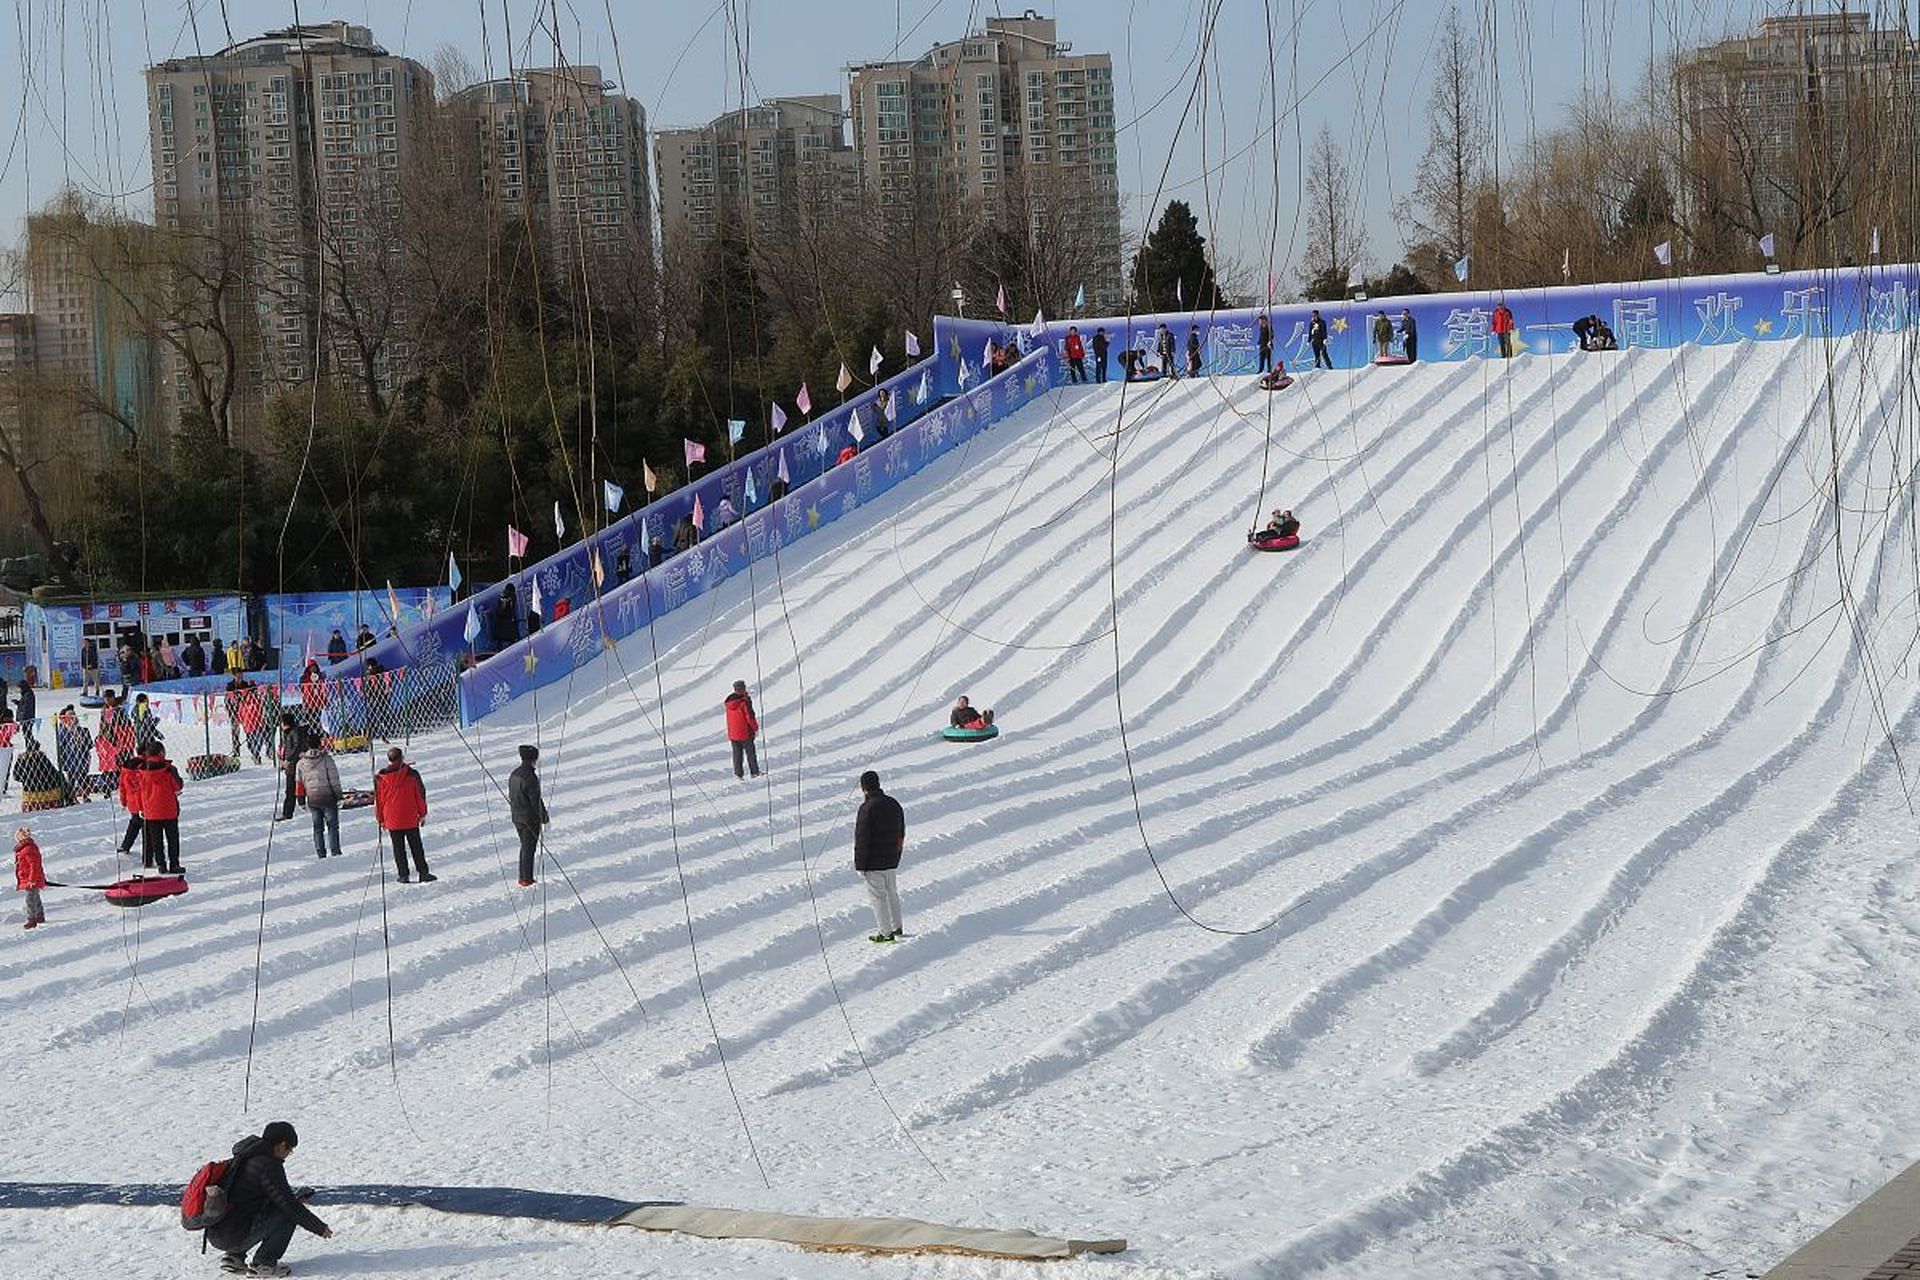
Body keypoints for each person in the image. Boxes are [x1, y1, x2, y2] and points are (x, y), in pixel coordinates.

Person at [204, 1120, 333, 1276]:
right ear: (281, 1145)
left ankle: (234, 1258)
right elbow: (289, 1205)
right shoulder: (269, 1165)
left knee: (260, 1208)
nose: (288, 1154)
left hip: (218, 1232)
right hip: (233, 1235)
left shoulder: (245, 1156)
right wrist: (319, 1227)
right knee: (287, 1215)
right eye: (290, 1149)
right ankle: (263, 1264)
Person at [853, 770, 906, 944]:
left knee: (878, 897)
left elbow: (862, 839)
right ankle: (897, 927)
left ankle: (885, 933)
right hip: (891, 859)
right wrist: (897, 854)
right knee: (892, 893)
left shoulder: (866, 808)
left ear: (863, 788)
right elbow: (901, 832)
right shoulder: (893, 803)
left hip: (873, 862)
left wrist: (860, 865)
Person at [374, 747, 434, 883]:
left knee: (398, 849)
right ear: (402, 758)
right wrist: (423, 813)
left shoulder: (380, 779)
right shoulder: (412, 775)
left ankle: (403, 875)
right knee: (416, 846)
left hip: (391, 819)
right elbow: (420, 795)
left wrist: (380, 819)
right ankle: (423, 873)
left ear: (389, 759)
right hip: (410, 817)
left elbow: (379, 801)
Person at [138, 742, 185, 876]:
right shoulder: (169, 769)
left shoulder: (142, 770)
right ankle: (174, 864)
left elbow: (140, 791)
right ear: (161, 753)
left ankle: (161, 864)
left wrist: (142, 807)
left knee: (156, 840)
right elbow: (178, 786)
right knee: (172, 838)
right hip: (169, 809)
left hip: (150, 810)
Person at [294, 742, 345, 860]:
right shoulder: (327, 760)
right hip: (328, 798)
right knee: (332, 826)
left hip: (313, 799)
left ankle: (320, 853)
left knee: (317, 828)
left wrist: (301, 799)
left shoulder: (301, 763)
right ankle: (335, 851)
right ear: (320, 744)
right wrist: (339, 796)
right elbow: (334, 779)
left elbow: (299, 783)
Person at [508, 744, 549, 887]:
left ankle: (524, 876)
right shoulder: (530, 777)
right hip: (529, 819)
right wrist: (544, 817)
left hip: (516, 816)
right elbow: (535, 800)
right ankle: (526, 878)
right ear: (534, 759)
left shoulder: (514, 774)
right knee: (528, 848)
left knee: (524, 846)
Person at [277, 712, 316, 821]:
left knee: (293, 790)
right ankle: (289, 812)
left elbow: (297, 748)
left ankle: (288, 813)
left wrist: (288, 760)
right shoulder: (288, 733)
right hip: (291, 765)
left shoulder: (295, 732)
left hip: (296, 765)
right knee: (293, 789)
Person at [724, 680, 761, 780]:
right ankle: (754, 772)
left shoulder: (729, 702)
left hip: (733, 733)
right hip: (745, 732)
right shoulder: (744, 702)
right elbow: (750, 717)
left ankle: (738, 774)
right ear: (743, 689)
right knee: (750, 753)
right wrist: (755, 728)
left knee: (737, 755)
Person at [54, 707, 90, 804]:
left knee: (83, 778)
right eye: (69, 718)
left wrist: (83, 743)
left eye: (73, 717)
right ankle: (72, 797)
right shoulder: (63, 732)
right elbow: (61, 747)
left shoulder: (83, 730)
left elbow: (89, 744)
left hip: (82, 759)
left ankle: (85, 796)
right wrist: (63, 761)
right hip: (70, 760)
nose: (72, 720)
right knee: (71, 779)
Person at [114, 748, 145, 857]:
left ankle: (125, 846)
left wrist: (123, 802)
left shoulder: (127, 766)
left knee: (134, 824)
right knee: (147, 829)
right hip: (143, 803)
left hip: (132, 803)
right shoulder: (146, 766)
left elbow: (122, 786)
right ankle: (147, 855)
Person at [15, 825, 46, 929]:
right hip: (29, 878)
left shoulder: (28, 849)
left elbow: (34, 865)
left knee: (30, 900)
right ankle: (39, 916)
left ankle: (31, 919)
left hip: (31, 880)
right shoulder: (26, 849)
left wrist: (32, 879)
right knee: (35, 898)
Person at [14, 668, 36, 747]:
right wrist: (18, 703)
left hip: (27, 718)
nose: (19, 690)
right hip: (25, 718)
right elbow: (23, 705)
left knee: (28, 734)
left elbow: (26, 708)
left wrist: (22, 719)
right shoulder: (26, 694)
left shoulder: (28, 695)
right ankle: (29, 746)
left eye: (20, 688)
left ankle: (31, 746)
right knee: (27, 734)